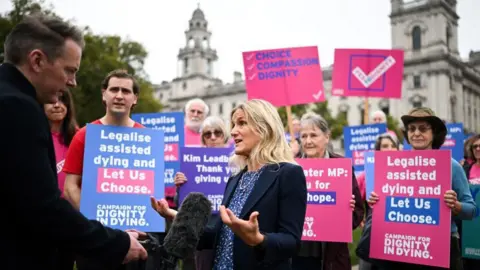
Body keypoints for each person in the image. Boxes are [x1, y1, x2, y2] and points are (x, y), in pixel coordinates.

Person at [0, 14, 146, 270]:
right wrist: (118, 243)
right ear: (37, 60)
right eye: (69, 70)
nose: (73, 83)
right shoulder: (18, 107)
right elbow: (42, 209)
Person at [151, 99, 308, 269]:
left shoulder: (289, 174)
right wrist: (174, 215)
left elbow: (291, 242)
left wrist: (259, 239)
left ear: (265, 128)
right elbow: (216, 235)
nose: (233, 132)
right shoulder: (235, 178)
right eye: (233, 124)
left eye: (241, 123)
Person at [368, 107, 476, 270]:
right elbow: (387, 205)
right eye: (411, 129)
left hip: (442, 245)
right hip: (403, 246)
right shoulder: (394, 165)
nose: (416, 133)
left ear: (434, 133)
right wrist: (377, 201)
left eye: (423, 128)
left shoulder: (451, 166)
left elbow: (471, 211)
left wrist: (456, 206)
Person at [62, 69, 149, 269]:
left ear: (135, 98)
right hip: (96, 239)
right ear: (104, 94)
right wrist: (95, 221)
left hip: (137, 236)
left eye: (126, 91)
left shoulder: (146, 138)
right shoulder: (84, 135)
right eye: (114, 89)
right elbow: (70, 187)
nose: (119, 95)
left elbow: (149, 188)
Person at [292, 112, 364, 270]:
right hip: (298, 255)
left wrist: (348, 211)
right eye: (304, 136)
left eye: (313, 135)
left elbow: (358, 213)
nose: (308, 141)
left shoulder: (341, 166)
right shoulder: (291, 167)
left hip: (331, 257)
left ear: (327, 137)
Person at [174, 115, 231, 270]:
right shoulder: (192, 163)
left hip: (230, 231)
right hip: (203, 231)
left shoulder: (237, 162)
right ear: (203, 139)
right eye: (207, 134)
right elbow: (182, 204)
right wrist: (181, 188)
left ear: (224, 136)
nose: (213, 137)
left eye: (217, 133)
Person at [44, 89, 79, 270]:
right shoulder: (34, 136)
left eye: (62, 101)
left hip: (70, 217)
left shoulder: (79, 138)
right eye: (52, 101)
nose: (57, 105)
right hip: (43, 218)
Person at [355, 133, 400, 270]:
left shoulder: (407, 172)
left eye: (393, 146)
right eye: (385, 146)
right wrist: (359, 218)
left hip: (397, 235)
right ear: (378, 150)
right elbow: (353, 200)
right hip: (372, 234)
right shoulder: (366, 175)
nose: (390, 149)